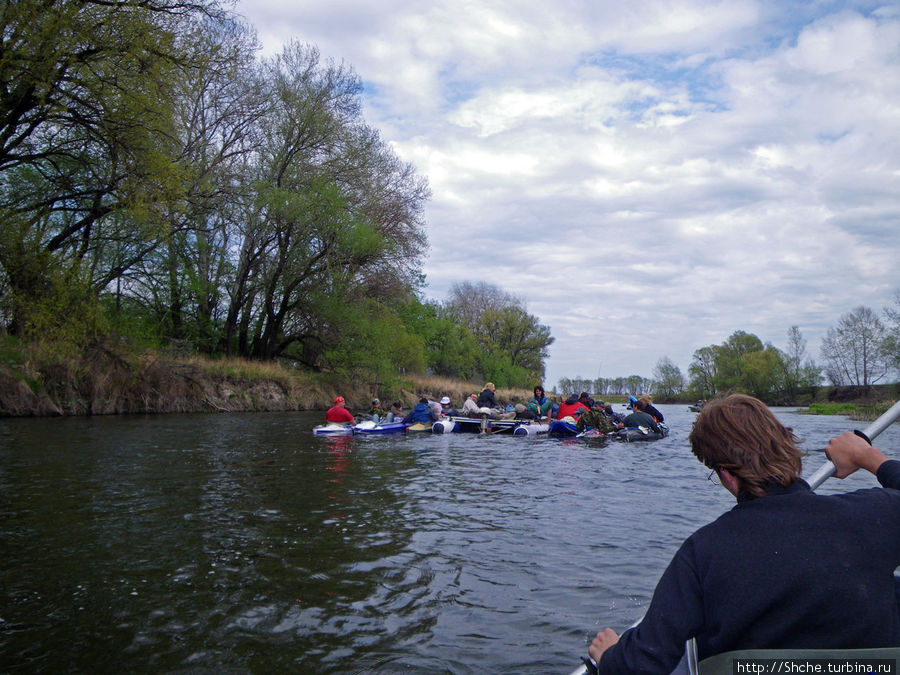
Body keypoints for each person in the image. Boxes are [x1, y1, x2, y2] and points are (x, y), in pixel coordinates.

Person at [588, 394, 900, 673]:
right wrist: (867, 456)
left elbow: (643, 664)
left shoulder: (703, 552)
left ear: (726, 474)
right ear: (786, 443)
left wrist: (611, 656)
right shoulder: (876, 514)